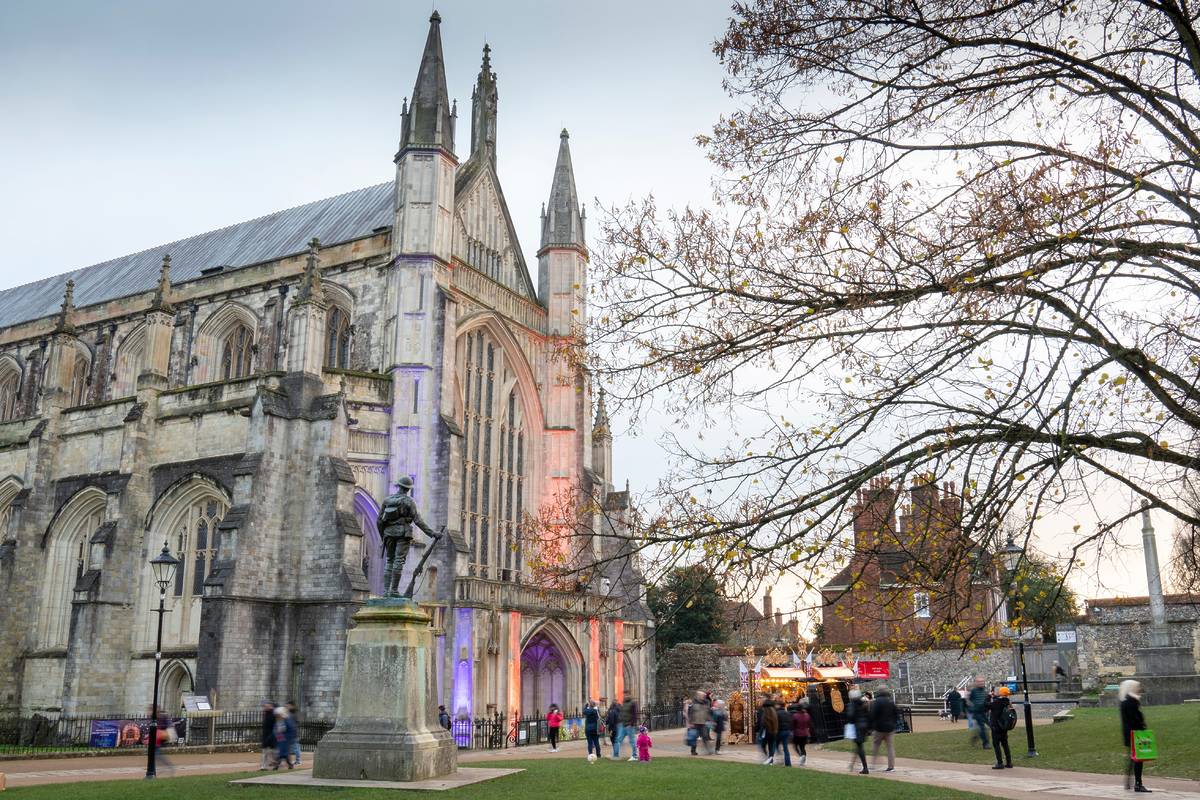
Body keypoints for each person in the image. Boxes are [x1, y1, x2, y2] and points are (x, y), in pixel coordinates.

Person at [1120, 679, 1151, 793]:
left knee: (1132, 759)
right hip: (1136, 733)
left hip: (1129, 733)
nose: (1139, 689)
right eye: (1137, 687)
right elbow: (1135, 719)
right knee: (1138, 759)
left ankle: (1128, 782)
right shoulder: (1131, 701)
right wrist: (1142, 726)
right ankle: (1138, 784)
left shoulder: (1125, 700)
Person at [868, 687, 898, 772]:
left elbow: (873, 714)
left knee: (876, 746)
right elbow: (896, 713)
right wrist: (894, 724)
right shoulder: (891, 701)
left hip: (879, 728)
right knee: (890, 747)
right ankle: (891, 766)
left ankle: (873, 764)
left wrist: (871, 726)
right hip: (890, 728)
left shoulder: (877, 701)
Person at [987, 686, 1014, 769]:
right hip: (1004, 726)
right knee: (1005, 744)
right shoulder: (1008, 702)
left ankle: (1000, 763)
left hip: (996, 726)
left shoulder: (996, 703)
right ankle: (1009, 762)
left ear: (1000, 693)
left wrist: (988, 696)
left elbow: (986, 706)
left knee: (996, 744)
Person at [846, 689, 870, 774]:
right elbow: (868, 715)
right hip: (864, 726)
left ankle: (865, 768)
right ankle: (853, 764)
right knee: (858, 746)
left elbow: (850, 716)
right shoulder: (863, 703)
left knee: (859, 747)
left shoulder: (851, 705)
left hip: (857, 727)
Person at [967, 676, 990, 749]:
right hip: (977, 712)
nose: (981, 683)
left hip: (984, 712)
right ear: (976, 683)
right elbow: (969, 700)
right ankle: (985, 743)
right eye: (979, 682)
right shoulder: (974, 691)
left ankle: (976, 736)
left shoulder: (984, 690)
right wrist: (973, 708)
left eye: (982, 681)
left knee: (990, 725)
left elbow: (986, 700)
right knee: (982, 728)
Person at [687, 690, 712, 755]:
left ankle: (708, 750)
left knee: (705, 736)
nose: (703, 697)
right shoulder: (694, 703)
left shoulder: (707, 702)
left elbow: (708, 712)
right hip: (695, 723)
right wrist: (690, 722)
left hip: (703, 723)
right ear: (698, 696)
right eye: (702, 695)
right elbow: (690, 713)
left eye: (704, 695)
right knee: (694, 737)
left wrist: (710, 720)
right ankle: (693, 751)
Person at [615, 692, 639, 761]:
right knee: (619, 739)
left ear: (630, 695)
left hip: (629, 725)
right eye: (625, 694)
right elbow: (622, 713)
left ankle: (634, 756)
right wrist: (620, 721)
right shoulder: (624, 702)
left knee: (632, 740)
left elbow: (635, 715)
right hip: (623, 724)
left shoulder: (633, 703)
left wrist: (631, 724)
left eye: (627, 694)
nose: (625, 696)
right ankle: (615, 754)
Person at [272, 705, 297, 770]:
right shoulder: (279, 721)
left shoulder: (287, 720)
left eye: (278, 714)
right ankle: (289, 765)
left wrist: (287, 738)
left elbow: (291, 730)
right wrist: (277, 735)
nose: (277, 716)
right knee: (282, 753)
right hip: (280, 739)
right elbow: (275, 729)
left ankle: (277, 766)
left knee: (282, 754)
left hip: (286, 740)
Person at [791, 700, 812, 765]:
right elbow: (809, 724)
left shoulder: (795, 715)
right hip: (805, 733)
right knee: (802, 747)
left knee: (795, 746)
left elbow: (793, 725)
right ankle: (803, 758)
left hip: (797, 733)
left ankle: (801, 756)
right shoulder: (807, 715)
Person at [774, 698, 793, 766]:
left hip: (779, 731)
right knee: (785, 748)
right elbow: (790, 722)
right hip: (786, 731)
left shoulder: (777, 713)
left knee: (776, 745)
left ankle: (778, 759)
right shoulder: (787, 713)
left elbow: (776, 723)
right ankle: (788, 763)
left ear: (779, 705)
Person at [760, 698, 779, 765]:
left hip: (766, 733)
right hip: (773, 732)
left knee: (763, 745)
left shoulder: (765, 713)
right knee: (771, 746)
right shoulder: (774, 713)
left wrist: (760, 733)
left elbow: (763, 724)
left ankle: (769, 758)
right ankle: (771, 758)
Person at [260, 701, 276, 770]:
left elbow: (276, 727)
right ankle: (263, 766)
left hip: (272, 736)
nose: (264, 708)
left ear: (271, 706)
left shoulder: (274, 715)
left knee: (273, 752)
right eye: (264, 706)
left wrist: (279, 737)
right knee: (264, 752)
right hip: (265, 736)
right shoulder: (265, 714)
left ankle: (276, 764)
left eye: (267, 706)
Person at [286, 701, 302, 767]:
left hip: (294, 734)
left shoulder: (294, 714)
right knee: (290, 748)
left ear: (292, 706)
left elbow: (295, 724)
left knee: (296, 748)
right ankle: (290, 761)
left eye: (288, 706)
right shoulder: (290, 713)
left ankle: (298, 761)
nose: (287, 707)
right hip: (290, 734)